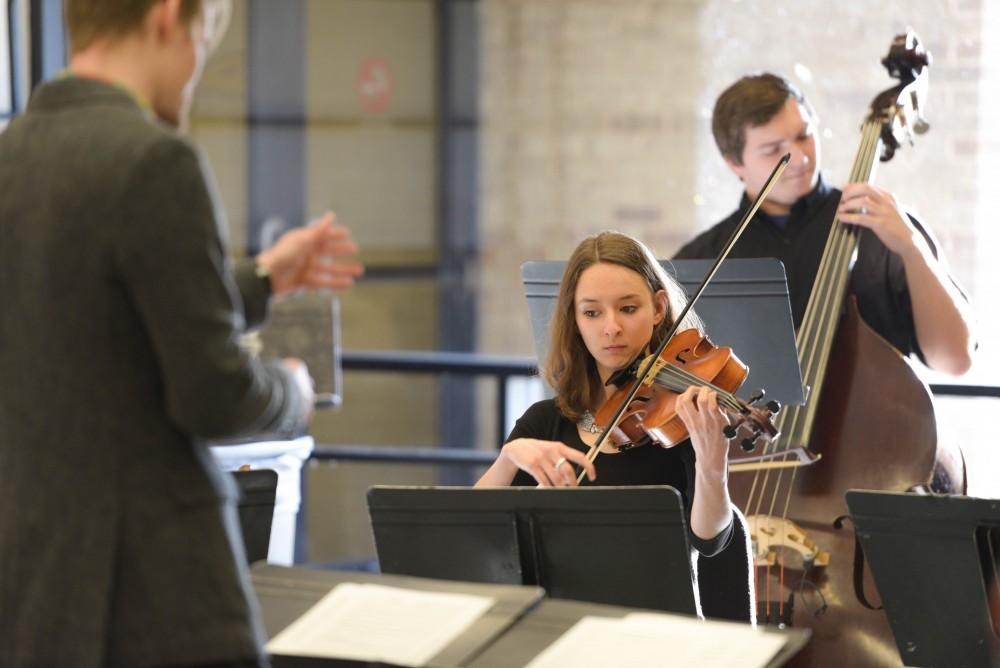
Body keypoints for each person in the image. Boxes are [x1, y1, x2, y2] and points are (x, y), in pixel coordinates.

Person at [0, 1, 362, 666]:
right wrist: (290, 390)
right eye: (203, 39)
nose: (197, 70)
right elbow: (213, 393)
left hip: (37, 588)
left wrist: (261, 278)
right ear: (168, 17)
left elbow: (97, 319)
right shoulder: (157, 159)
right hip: (156, 593)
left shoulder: (11, 155)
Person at [476, 231, 750, 616]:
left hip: (658, 632)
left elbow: (711, 541)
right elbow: (473, 533)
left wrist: (711, 465)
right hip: (562, 627)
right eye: (592, 312)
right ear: (574, 318)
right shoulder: (545, 422)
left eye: (627, 308)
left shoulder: (682, 423)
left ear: (657, 308)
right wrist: (509, 458)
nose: (611, 328)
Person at [674, 72, 975, 375]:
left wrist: (912, 249)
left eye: (804, 136)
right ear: (734, 163)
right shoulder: (699, 261)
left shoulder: (883, 226)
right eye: (773, 150)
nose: (799, 158)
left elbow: (955, 361)